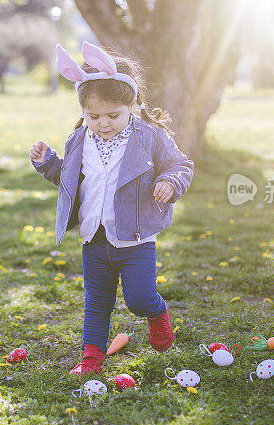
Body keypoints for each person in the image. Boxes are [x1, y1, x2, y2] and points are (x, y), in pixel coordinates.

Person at [29, 42, 194, 375]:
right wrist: (48, 163)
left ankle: (157, 312)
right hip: (94, 237)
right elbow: (71, 177)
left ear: (132, 104)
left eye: (112, 115)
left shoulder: (150, 137)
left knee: (139, 299)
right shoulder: (79, 139)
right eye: (93, 116)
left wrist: (170, 183)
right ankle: (91, 358)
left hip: (135, 239)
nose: (102, 123)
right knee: (97, 301)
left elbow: (181, 165)